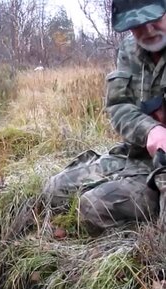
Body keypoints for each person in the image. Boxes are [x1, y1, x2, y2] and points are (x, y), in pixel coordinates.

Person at [43, 0, 166, 235]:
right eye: (137, 25)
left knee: (94, 206)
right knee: (54, 190)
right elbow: (119, 106)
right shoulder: (130, 50)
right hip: (136, 158)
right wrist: (150, 130)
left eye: (154, 20)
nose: (148, 31)